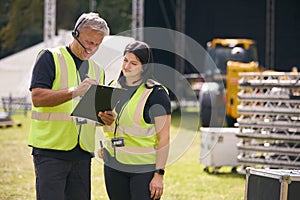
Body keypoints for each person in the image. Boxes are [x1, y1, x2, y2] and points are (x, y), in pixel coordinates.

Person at [28, 12, 114, 200]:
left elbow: (92, 114)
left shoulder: (98, 70)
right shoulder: (50, 57)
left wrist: (104, 119)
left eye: (97, 45)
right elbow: (38, 98)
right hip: (50, 151)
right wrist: (75, 91)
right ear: (75, 34)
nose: (91, 49)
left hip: (82, 154)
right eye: (89, 42)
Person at [98, 41, 171, 200]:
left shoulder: (156, 94)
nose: (127, 66)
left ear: (144, 67)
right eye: (125, 60)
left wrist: (159, 174)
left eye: (134, 63)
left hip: (143, 169)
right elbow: (103, 121)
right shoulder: (112, 87)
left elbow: (164, 138)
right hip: (113, 165)